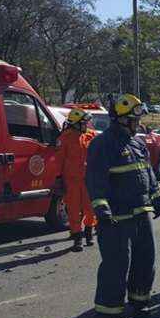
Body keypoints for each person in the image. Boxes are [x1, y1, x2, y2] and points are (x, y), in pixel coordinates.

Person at [86, 94, 160, 318]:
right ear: (122, 120)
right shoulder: (103, 144)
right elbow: (95, 179)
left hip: (141, 212)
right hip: (116, 216)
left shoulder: (137, 142)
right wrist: (101, 207)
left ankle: (139, 303)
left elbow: (147, 172)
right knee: (116, 265)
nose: (139, 123)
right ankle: (107, 317)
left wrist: (155, 194)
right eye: (135, 119)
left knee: (145, 258)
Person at [56, 107, 98, 252]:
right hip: (71, 181)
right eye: (84, 123)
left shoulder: (91, 136)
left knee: (90, 207)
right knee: (73, 210)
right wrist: (58, 179)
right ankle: (77, 237)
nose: (87, 126)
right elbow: (59, 160)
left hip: (88, 179)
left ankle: (89, 231)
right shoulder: (64, 138)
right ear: (76, 123)